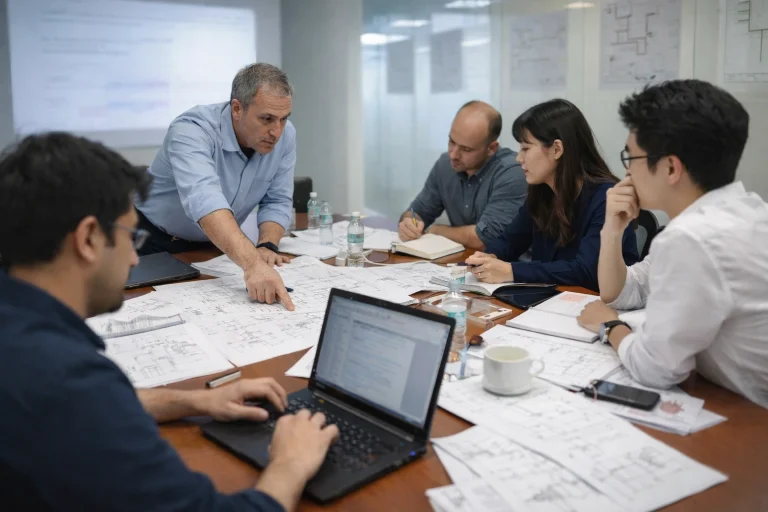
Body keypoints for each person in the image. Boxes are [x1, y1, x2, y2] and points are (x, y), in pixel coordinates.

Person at [0, 133, 339, 511]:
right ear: (88, 238)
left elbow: (92, 405)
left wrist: (197, 400)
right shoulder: (63, 377)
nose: (133, 259)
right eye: (132, 236)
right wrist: (291, 463)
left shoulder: (20, 330)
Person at [577, 80, 768, 408]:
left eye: (631, 157)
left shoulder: (692, 238)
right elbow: (622, 293)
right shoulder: (746, 209)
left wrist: (609, 326)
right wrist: (612, 229)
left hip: (748, 418)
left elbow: (656, 369)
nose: (627, 170)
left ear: (669, 167)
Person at [137, 63, 296, 310]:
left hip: (216, 246)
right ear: (236, 109)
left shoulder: (285, 136)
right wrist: (253, 264)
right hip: (152, 243)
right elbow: (205, 200)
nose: (276, 131)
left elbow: (277, 200)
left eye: (283, 119)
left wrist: (266, 245)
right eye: (266, 119)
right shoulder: (191, 131)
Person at [466, 99, 639, 292]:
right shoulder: (541, 190)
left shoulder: (605, 198)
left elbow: (585, 270)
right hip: (552, 298)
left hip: (599, 303)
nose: (518, 158)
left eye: (525, 148)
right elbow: (510, 241)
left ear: (557, 149)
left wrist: (511, 271)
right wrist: (489, 257)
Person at [398, 101, 527, 250]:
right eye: (452, 141)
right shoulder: (445, 165)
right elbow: (418, 211)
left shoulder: (512, 172)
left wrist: (437, 230)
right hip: (462, 262)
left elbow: (485, 239)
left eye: (466, 149)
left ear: (491, 148)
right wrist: (409, 223)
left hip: (507, 267)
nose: (453, 155)